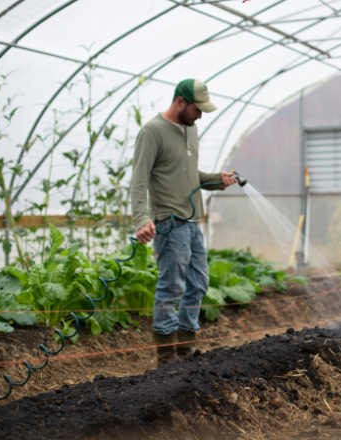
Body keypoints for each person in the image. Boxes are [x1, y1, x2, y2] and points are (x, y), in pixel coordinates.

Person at [130, 79, 237, 366]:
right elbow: (139, 180)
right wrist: (141, 218)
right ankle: (167, 358)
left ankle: (186, 352)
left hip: (192, 223)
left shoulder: (192, 130)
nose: (200, 115)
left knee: (198, 282)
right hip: (169, 223)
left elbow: (190, 176)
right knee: (171, 286)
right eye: (196, 109)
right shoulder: (152, 132)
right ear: (180, 101)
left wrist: (218, 180)